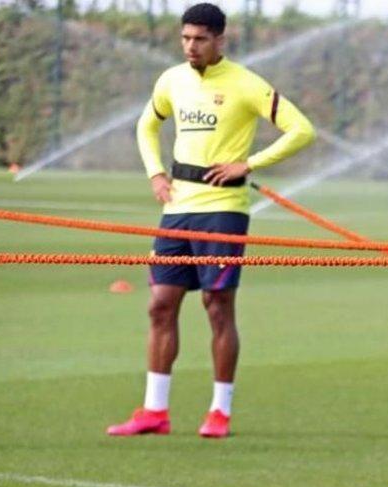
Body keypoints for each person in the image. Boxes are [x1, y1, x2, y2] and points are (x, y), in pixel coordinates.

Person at [108, 3, 315, 439]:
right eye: (185, 38)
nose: (191, 47)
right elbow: (146, 126)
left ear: (220, 39)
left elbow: (301, 130)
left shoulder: (245, 84)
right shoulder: (171, 80)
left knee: (217, 308)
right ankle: (154, 411)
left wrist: (250, 163)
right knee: (159, 305)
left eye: (200, 39)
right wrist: (155, 172)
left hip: (223, 210)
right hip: (176, 210)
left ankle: (219, 412)